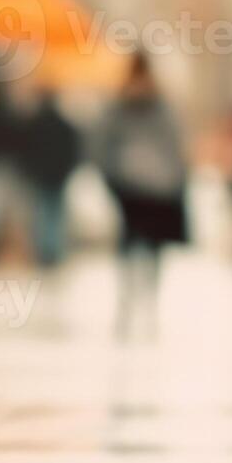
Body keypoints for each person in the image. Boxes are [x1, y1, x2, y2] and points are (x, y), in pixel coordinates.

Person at [94, 52, 189, 339]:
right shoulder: (161, 104)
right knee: (152, 245)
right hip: (158, 189)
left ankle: (128, 297)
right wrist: (177, 180)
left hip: (128, 187)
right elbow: (175, 145)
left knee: (129, 241)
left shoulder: (119, 104)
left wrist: (111, 176)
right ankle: (147, 296)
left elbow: (101, 143)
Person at [12, 85, 81, 268]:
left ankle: (45, 252)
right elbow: (72, 150)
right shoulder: (62, 125)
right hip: (55, 175)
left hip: (43, 176)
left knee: (42, 214)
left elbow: (23, 151)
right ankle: (51, 252)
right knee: (53, 214)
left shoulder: (34, 124)